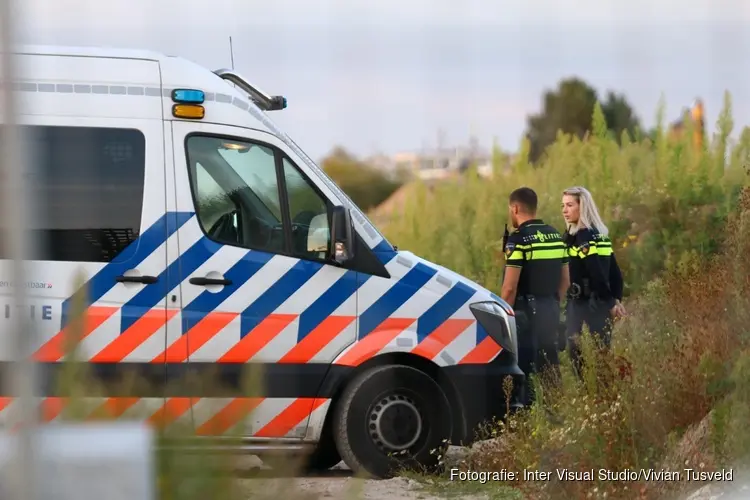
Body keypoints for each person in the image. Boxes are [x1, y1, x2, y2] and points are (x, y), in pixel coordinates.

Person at [500, 187, 569, 405]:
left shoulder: (518, 240)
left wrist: (502, 318)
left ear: (516, 208)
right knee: (550, 366)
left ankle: (527, 421)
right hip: (550, 309)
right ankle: (557, 416)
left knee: (524, 370)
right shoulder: (556, 235)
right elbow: (565, 282)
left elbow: (510, 287)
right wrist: (552, 303)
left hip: (524, 316)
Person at [560, 186, 625, 374]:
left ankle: (589, 395)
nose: (564, 210)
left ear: (583, 207)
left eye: (570, 205)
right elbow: (615, 273)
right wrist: (616, 299)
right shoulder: (599, 234)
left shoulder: (584, 236)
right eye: (563, 205)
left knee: (577, 354)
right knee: (602, 354)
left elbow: (596, 271)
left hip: (586, 303)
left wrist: (611, 302)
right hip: (599, 302)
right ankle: (602, 396)